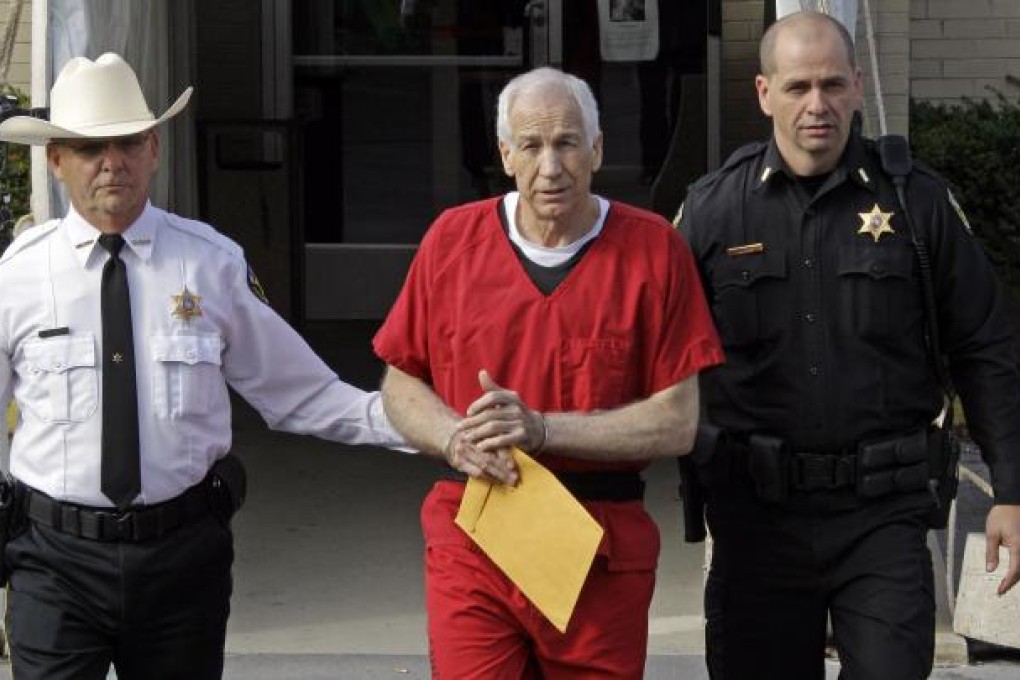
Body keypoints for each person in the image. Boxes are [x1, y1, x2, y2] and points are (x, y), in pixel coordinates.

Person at [0, 53, 408, 680]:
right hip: (55, 561)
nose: (112, 162)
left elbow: (302, 394)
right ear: (56, 160)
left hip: (180, 559)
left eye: (128, 142)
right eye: (89, 148)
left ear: (154, 149)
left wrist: (429, 427)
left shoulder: (210, 265)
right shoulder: (18, 277)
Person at [677, 11, 1020, 680]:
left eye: (833, 84)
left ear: (859, 86)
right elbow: (653, 353)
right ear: (763, 93)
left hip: (882, 519)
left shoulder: (917, 203)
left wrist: (1012, 489)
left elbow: (986, 347)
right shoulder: (713, 211)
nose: (818, 105)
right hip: (756, 521)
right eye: (799, 86)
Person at [373, 66, 724, 678]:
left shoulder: (654, 249)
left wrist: (540, 429)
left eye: (566, 142)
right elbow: (401, 381)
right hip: (479, 524)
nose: (551, 166)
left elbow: (678, 423)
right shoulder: (451, 241)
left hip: (600, 540)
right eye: (531, 146)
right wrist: (455, 437)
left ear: (597, 149)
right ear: (505, 154)